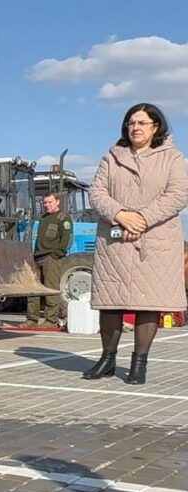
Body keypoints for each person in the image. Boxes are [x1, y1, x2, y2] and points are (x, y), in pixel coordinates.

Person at [82, 103, 188, 384]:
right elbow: (97, 193)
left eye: (142, 123)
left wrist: (141, 218)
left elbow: (178, 194)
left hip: (155, 239)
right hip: (115, 239)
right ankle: (107, 359)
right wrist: (121, 215)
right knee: (111, 303)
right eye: (131, 122)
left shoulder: (172, 158)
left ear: (156, 127)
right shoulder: (111, 157)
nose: (136, 128)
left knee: (149, 302)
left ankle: (139, 362)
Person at [23, 192, 72, 329]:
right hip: (37, 257)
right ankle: (32, 319)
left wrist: (56, 255)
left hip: (51, 258)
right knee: (33, 290)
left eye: (49, 202)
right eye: (44, 203)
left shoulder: (63, 218)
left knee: (51, 289)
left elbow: (66, 239)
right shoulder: (43, 219)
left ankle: (51, 320)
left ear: (57, 202)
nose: (46, 205)